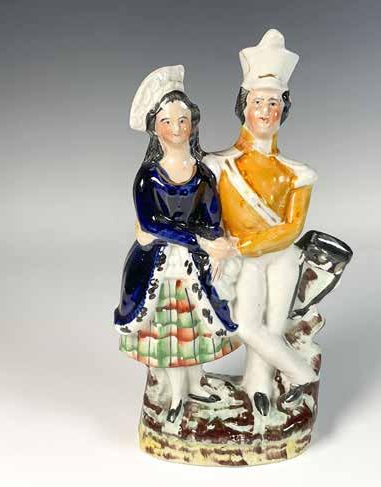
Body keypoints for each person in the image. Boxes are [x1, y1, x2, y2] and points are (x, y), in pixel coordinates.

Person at [114, 65, 240, 423]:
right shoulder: (148, 177)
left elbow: (212, 215)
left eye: (182, 120)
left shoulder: (202, 174)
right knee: (169, 331)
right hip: (159, 266)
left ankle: (195, 383)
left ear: (193, 124)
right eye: (167, 121)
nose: (176, 128)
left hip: (195, 266)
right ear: (155, 127)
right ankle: (176, 395)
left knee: (195, 325)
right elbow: (151, 224)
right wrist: (200, 240)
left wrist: (217, 241)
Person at [203, 30, 319, 416]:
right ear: (244, 107)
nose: (266, 112)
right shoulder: (218, 166)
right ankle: (303, 375)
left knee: (272, 327)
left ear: (284, 109)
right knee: (246, 325)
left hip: (281, 256)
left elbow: (292, 228)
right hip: (244, 260)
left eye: (274, 102)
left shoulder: (298, 173)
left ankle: (259, 387)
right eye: (257, 102)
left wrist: (243, 244)